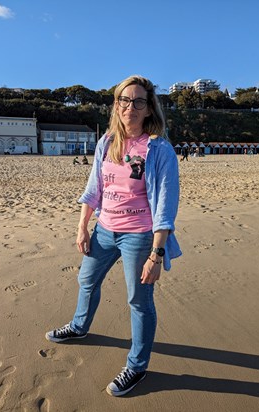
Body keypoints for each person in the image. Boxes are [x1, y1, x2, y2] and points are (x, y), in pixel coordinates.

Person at [46, 75, 181, 397]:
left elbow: (165, 205)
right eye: (124, 99)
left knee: (139, 300)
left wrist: (156, 254)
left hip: (139, 235)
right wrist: (83, 226)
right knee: (87, 280)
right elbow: (94, 188)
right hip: (105, 229)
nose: (129, 107)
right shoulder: (107, 142)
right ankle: (79, 327)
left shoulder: (159, 149)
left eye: (137, 101)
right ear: (116, 105)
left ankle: (137, 366)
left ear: (149, 109)